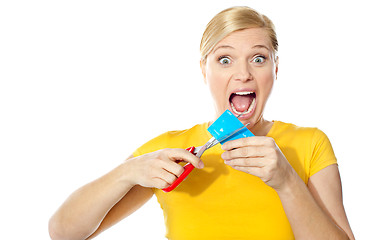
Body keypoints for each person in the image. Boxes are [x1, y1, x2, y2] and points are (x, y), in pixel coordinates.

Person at [49, 6, 355, 240]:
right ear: (203, 70)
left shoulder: (310, 143)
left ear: (276, 69)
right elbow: (63, 232)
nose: (243, 74)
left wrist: (287, 181)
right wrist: (128, 172)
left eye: (258, 58)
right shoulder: (169, 151)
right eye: (225, 59)